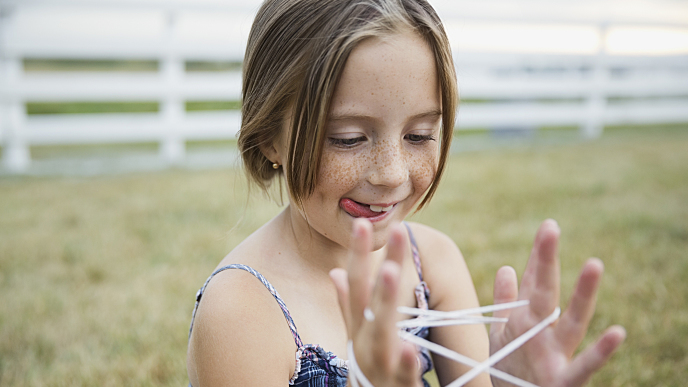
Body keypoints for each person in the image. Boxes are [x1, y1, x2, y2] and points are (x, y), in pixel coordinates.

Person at [186, 0, 626, 386]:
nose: (391, 174)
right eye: (348, 138)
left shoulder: (432, 265)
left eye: (418, 135)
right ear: (269, 136)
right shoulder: (241, 314)